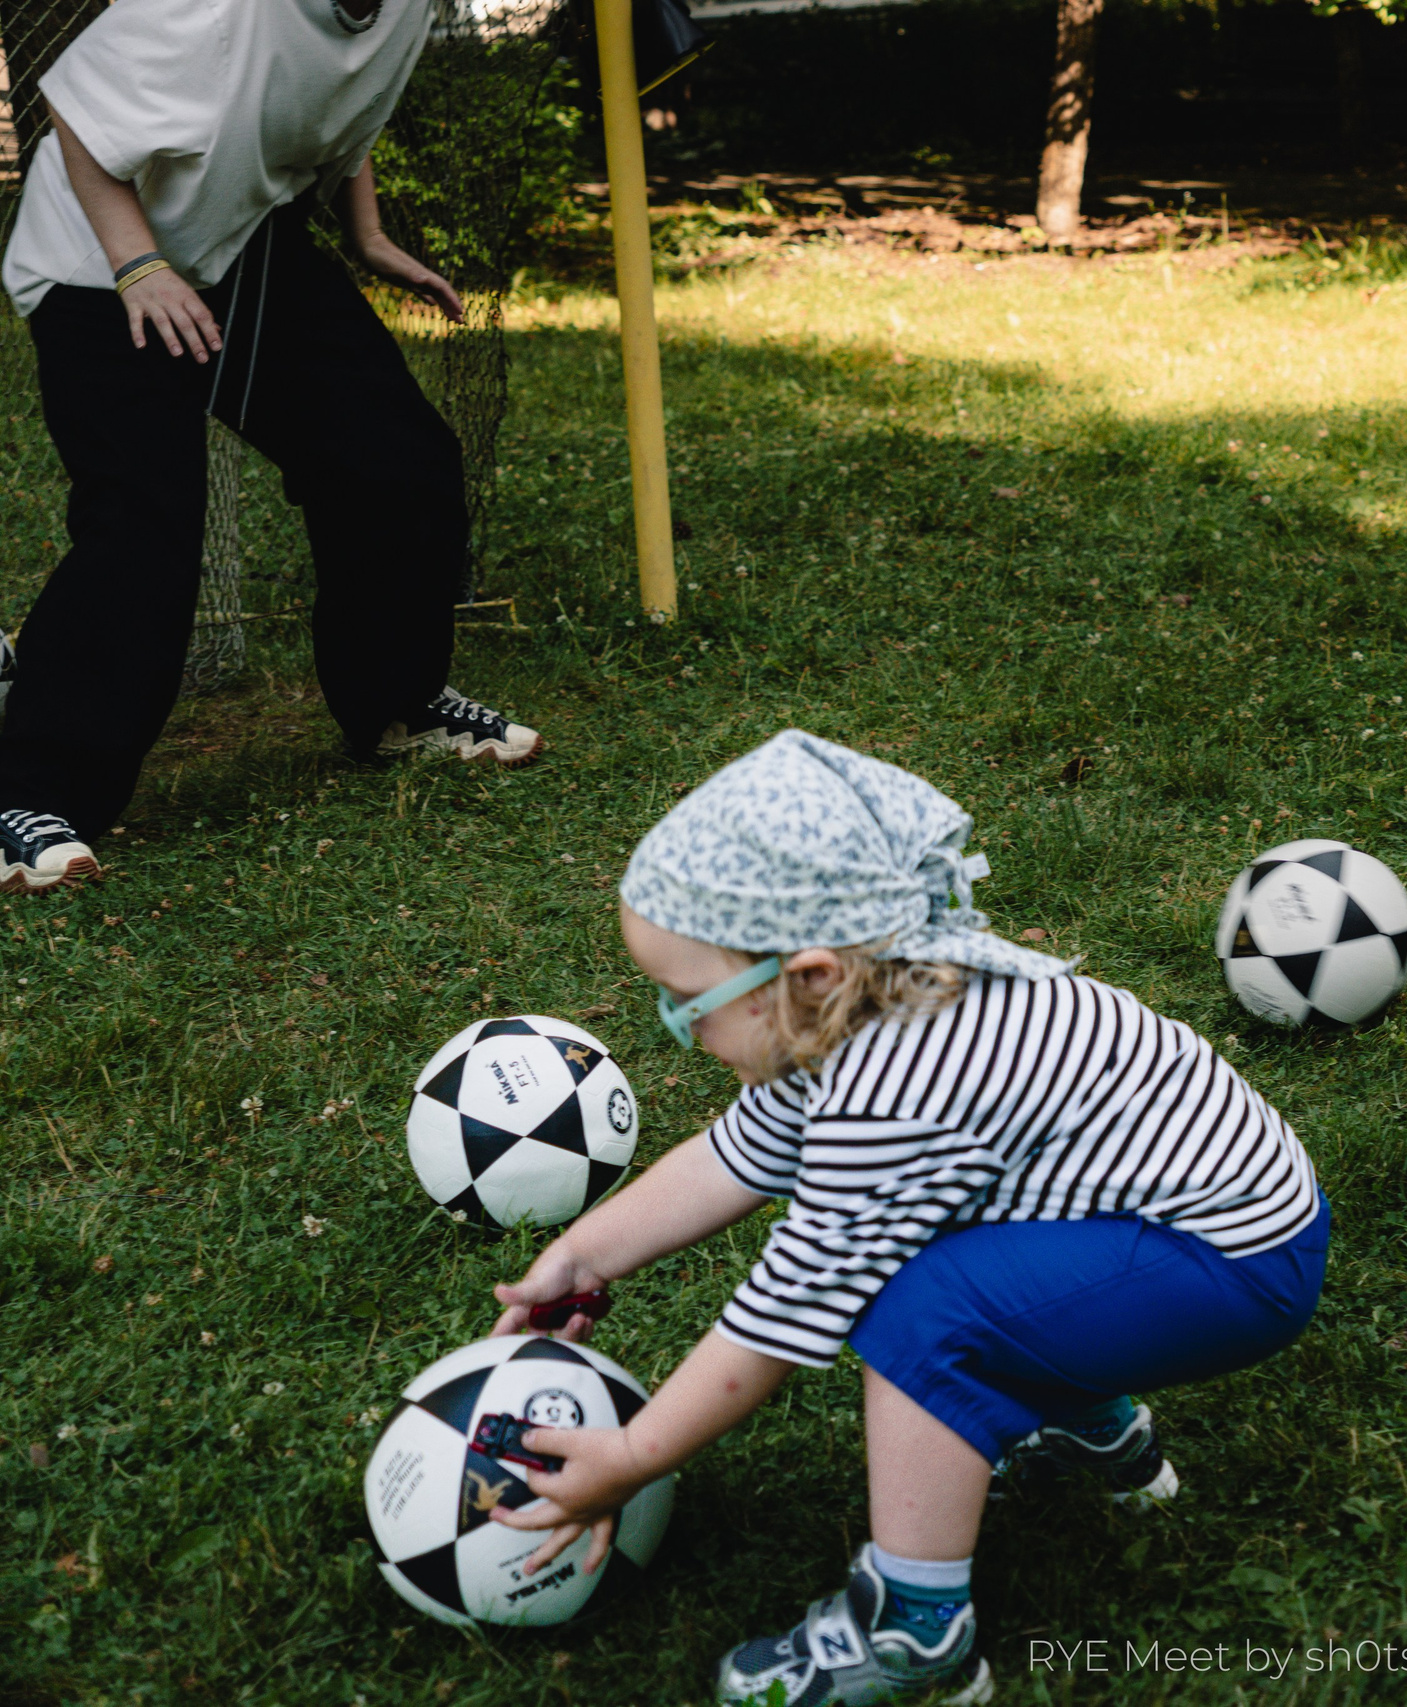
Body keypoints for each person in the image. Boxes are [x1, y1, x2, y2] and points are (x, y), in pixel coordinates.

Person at [483, 732, 1331, 1706]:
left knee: (920, 1311)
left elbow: (779, 1318)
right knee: (953, 1258)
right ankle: (1093, 1435)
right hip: (1198, 1231)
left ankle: (917, 1633)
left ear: (802, 977)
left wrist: (631, 1460)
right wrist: (583, 1253)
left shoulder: (896, 1090)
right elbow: (735, 1158)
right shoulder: (875, 998)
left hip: (1232, 1266)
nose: (678, 1029)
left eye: (684, 1003)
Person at [0, 0, 541, 895]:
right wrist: (141, 267)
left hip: (236, 239)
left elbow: (336, 98)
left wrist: (365, 234)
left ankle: (396, 706)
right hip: (96, 258)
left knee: (396, 459)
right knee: (147, 521)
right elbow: (76, 109)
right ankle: (28, 790)